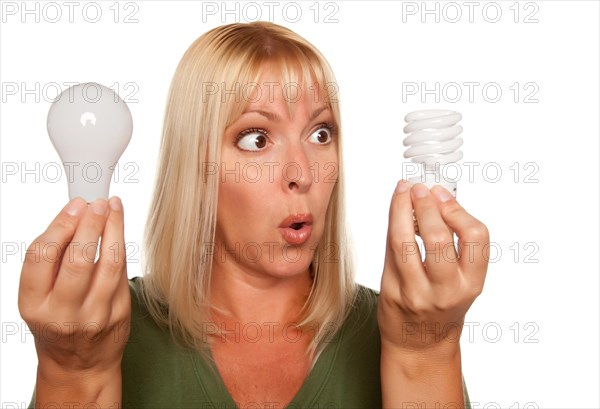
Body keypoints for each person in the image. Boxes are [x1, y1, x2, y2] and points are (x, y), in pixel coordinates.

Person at [20, 21, 489, 408]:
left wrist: (425, 351)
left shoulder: (403, 327)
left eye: (320, 133)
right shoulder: (98, 333)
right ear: (196, 166)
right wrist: (73, 371)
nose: (301, 173)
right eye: (256, 139)